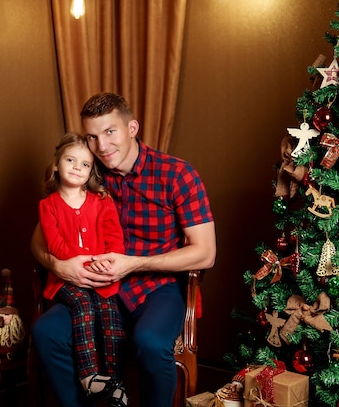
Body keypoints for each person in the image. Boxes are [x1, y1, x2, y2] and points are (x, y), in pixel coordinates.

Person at [31, 93, 216, 407]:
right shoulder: (87, 170)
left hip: (155, 288)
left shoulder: (177, 174)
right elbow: (38, 238)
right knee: (47, 331)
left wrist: (132, 264)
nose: (102, 146)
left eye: (110, 132)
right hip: (94, 290)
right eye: (92, 136)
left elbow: (205, 253)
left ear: (132, 128)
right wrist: (60, 267)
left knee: (150, 341)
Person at [38, 133, 128, 406]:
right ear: (56, 164)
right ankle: (89, 377)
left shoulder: (102, 200)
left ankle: (113, 384)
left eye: (85, 164)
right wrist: (85, 261)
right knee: (83, 306)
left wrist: (109, 259)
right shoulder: (48, 205)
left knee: (110, 318)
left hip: (101, 275)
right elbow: (56, 246)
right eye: (70, 160)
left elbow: (115, 237)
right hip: (66, 280)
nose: (77, 167)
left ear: (91, 171)